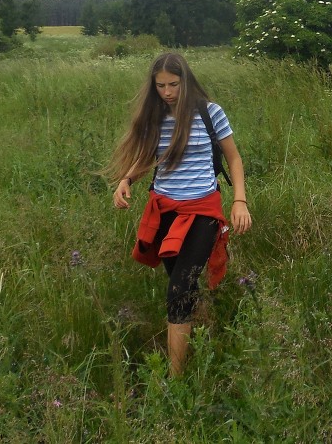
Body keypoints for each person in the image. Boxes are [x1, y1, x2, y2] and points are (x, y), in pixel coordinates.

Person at [107, 53, 252, 376]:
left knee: (179, 290)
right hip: (165, 211)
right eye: (161, 86)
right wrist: (127, 179)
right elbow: (148, 157)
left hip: (202, 211)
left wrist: (239, 201)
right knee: (180, 283)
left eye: (173, 84)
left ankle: (176, 378)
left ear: (185, 81)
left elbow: (234, 159)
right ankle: (197, 325)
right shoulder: (155, 117)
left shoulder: (210, 112)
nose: (168, 92)